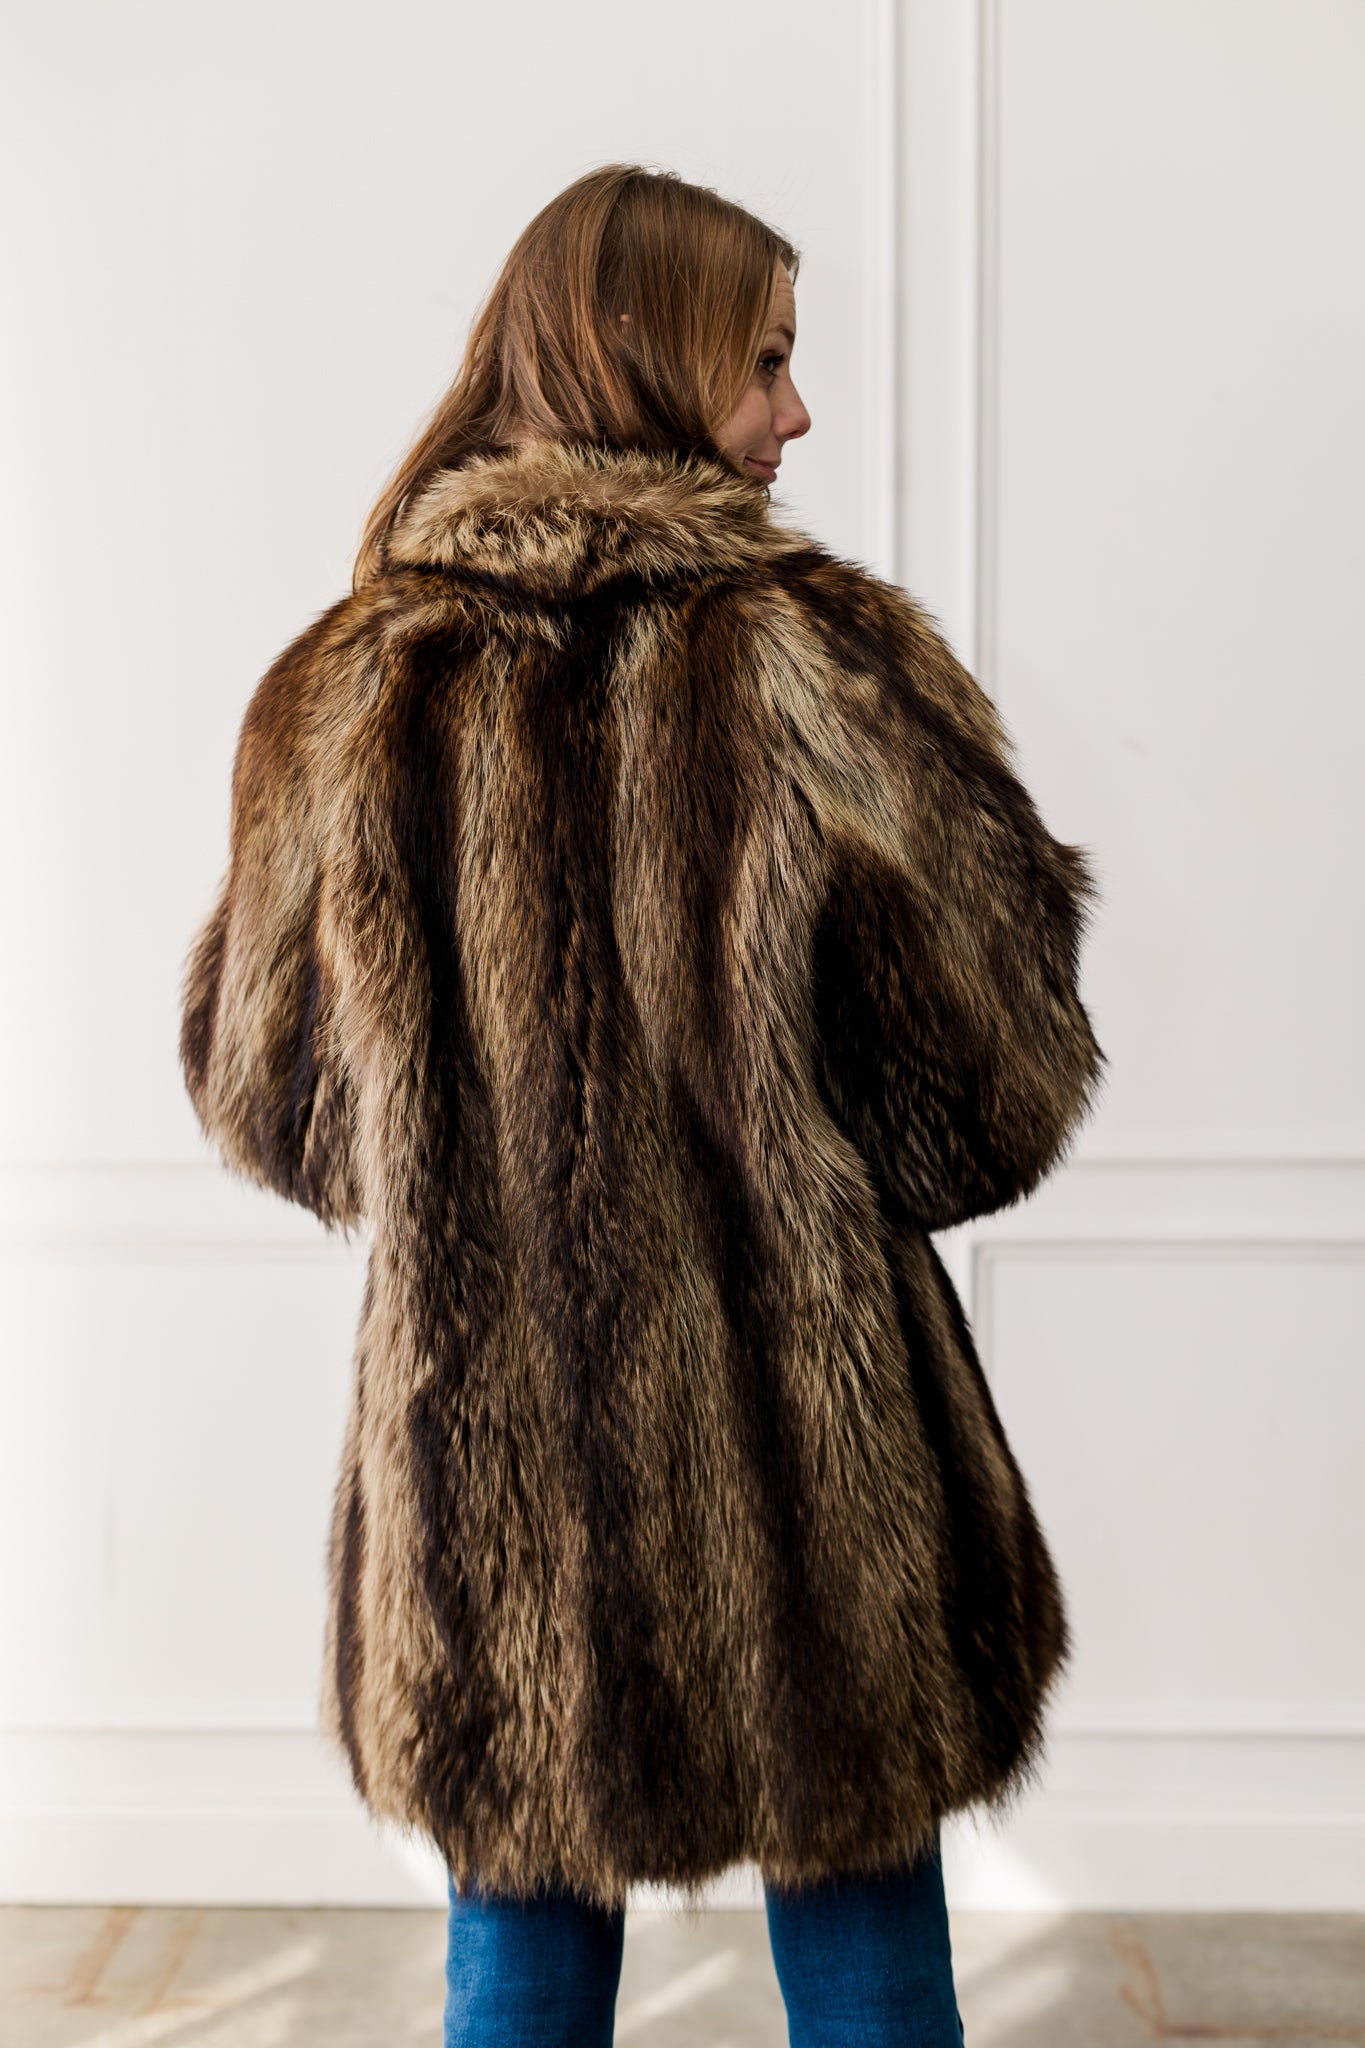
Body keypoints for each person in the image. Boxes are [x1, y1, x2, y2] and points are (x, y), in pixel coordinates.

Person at [178, 162, 1107, 2046]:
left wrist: (472, 1148)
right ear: (635, 350)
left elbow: (269, 1094)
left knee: (520, 1950)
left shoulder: (355, 688)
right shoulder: (815, 664)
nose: (797, 412)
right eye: (764, 360)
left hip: (492, 1462)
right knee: (867, 1940)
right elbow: (985, 1086)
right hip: (813, 1462)